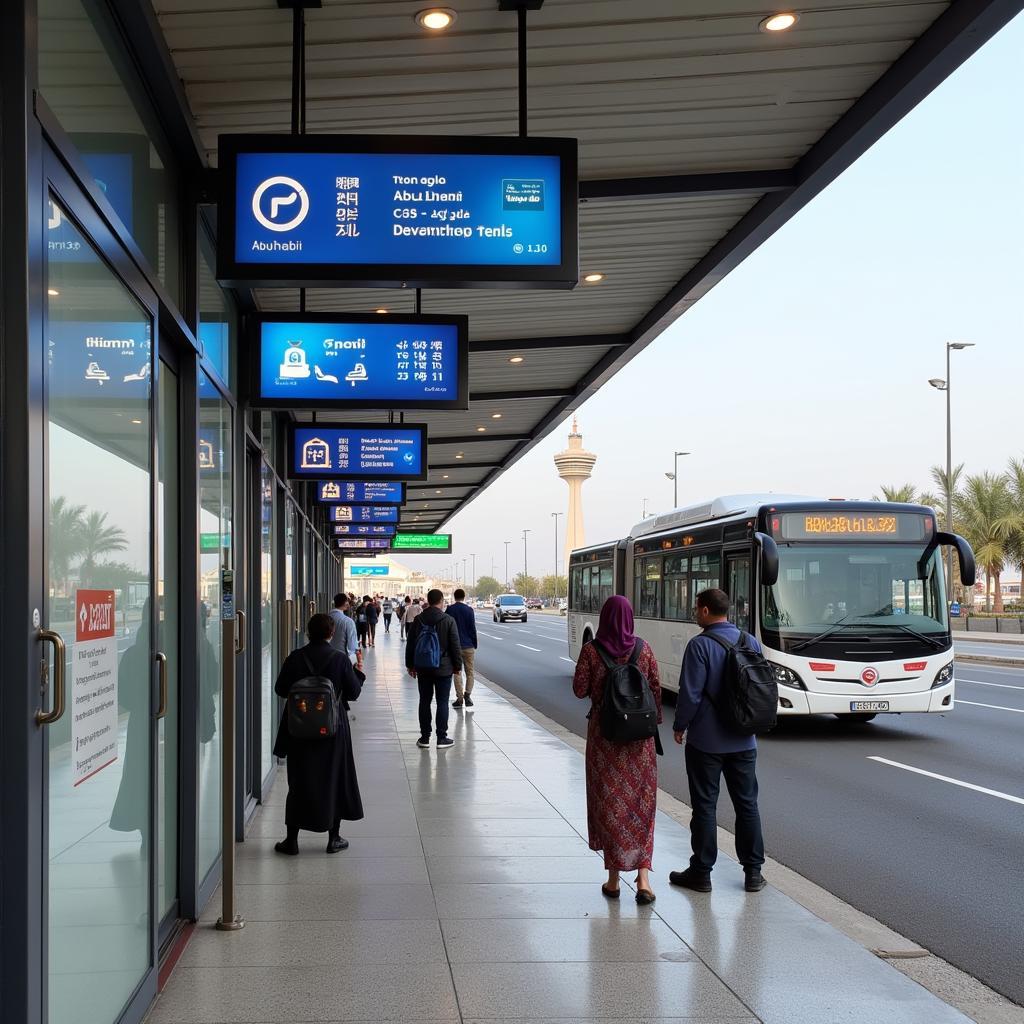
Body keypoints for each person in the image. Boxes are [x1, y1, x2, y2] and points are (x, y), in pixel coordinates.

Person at [670, 588, 766, 894]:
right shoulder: (748, 640)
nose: (695, 613)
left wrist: (680, 725)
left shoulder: (699, 645)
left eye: (697, 608)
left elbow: (691, 694)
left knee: (705, 807)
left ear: (707, 611)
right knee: (747, 805)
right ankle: (753, 872)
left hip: (706, 742)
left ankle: (701, 871)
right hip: (744, 739)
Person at [572, 595, 661, 905]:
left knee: (610, 804)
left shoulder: (591, 651)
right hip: (640, 745)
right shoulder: (644, 649)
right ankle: (644, 880)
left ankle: (612, 880)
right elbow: (656, 691)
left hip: (604, 740)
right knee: (641, 806)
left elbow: (579, 689)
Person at [272, 613, 364, 854]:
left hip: (299, 729)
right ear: (331, 634)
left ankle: (291, 840)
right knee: (334, 778)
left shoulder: (295, 658)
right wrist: (358, 673)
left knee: (298, 781)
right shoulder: (340, 659)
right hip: (332, 729)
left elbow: (280, 689)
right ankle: (333, 838)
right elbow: (353, 693)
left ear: (307, 633)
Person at [405, 589, 462, 749]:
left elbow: (411, 644)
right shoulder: (448, 620)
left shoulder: (418, 620)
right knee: (442, 702)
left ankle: (424, 738)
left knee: (424, 701)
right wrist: (457, 666)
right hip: (443, 668)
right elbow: (455, 646)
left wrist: (410, 665)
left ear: (428, 601)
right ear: (441, 601)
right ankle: (441, 738)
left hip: (423, 667)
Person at [445, 588, 479, 709]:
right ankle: (468, 695)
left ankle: (459, 698)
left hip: (455, 647)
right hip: (468, 645)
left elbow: (447, 628)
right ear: (464, 597)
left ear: (454, 597)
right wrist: (474, 643)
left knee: (457, 671)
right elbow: (472, 628)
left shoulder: (450, 609)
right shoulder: (469, 610)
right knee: (470, 672)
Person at [329, 592, 358, 664]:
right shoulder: (348, 621)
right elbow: (352, 646)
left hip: (326, 658)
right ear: (346, 603)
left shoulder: (326, 618)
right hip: (342, 659)